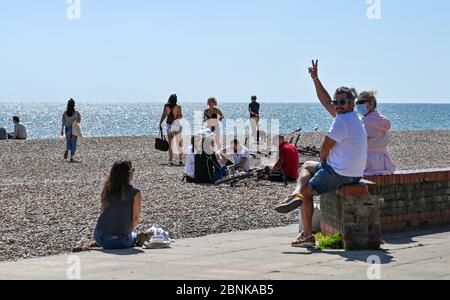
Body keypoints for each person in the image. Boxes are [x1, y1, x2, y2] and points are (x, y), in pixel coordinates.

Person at [275, 60, 368, 248]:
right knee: (307, 165)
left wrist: (324, 160)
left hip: (339, 173)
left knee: (307, 191)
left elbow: (325, 146)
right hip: (355, 173)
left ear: (351, 103)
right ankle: (295, 194)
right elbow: (325, 100)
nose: (338, 105)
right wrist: (315, 78)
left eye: (343, 102)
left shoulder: (342, 120)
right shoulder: (354, 117)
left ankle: (307, 235)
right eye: (337, 102)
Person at [94, 161, 142, 250]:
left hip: (100, 238)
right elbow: (135, 218)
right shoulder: (135, 192)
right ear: (129, 174)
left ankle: (105, 242)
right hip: (122, 241)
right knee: (134, 236)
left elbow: (103, 210)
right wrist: (125, 232)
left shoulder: (106, 189)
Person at [356, 91, 396, 176]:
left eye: (361, 102)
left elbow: (359, 141)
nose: (358, 105)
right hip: (382, 159)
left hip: (367, 160)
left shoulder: (365, 123)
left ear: (371, 104)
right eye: (357, 102)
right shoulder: (382, 120)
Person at [159, 94, 184, 166]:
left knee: (170, 144)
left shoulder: (166, 106)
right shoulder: (178, 107)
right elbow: (180, 116)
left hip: (169, 125)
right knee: (179, 143)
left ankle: (170, 160)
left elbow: (163, 115)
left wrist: (160, 123)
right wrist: (177, 116)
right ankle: (180, 160)